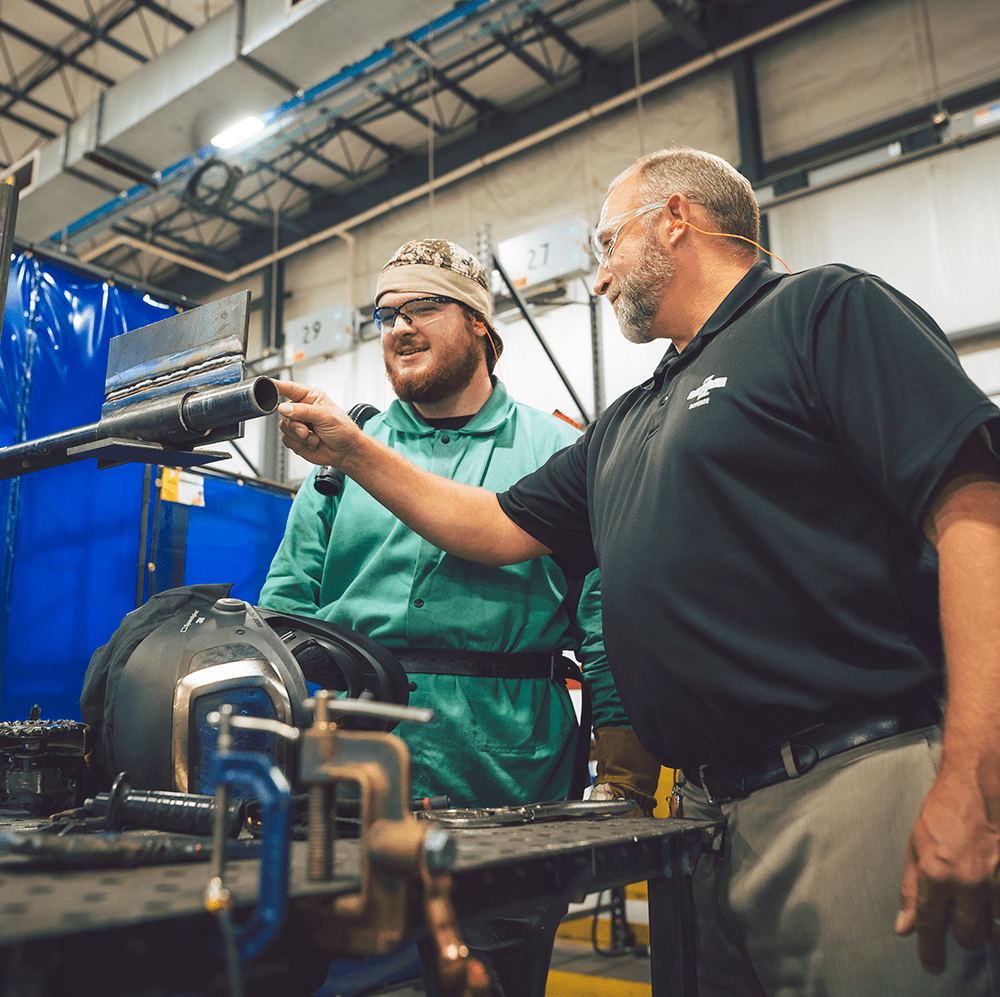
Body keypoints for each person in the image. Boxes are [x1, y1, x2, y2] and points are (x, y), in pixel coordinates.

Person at [271, 148, 1000, 996]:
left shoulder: (823, 309)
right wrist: (354, 449)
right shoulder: (629, 419)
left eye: (606, 242)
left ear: (675, 219)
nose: (597, 277)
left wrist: (974, 778)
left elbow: (974, 516)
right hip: (705, 813)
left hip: (848, 781)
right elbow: (492, 524)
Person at [259, 238, 660, 997]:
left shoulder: (560, 453)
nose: (398, 326)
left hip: (507, 786)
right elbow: (285, 619)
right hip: (349, 792)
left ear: (481, 325)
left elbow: (607, 620)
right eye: (384, 314)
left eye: (422, 307)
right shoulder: (337, 467)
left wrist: (623, 773)